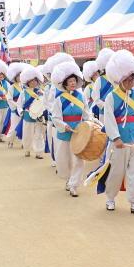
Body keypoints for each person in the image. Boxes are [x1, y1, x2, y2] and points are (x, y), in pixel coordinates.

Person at [102, 49, 134, 215]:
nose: (130, 81)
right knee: (116, 172)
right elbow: (108, 119)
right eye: (127, 78)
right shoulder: (111, 97)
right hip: (120, 143)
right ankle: (110, 198)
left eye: (132, 78)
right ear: (120, 78)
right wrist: (115, 138)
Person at [51, 61, 92, 197]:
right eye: (70, 81)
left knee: (79, 160)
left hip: (79, 133)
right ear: (65, 84)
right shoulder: (59, 99)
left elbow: (86, 114)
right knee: (65, 160)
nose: (73, 83)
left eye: (74, 80)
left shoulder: (81, 97)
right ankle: (68, 179)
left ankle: (74, 184)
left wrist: (89, 124)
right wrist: (64, 126)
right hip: (65, 133)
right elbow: (55, 118)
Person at [17, 66, 45, 159]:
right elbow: (19, 104)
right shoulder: (23, 92)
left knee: (39, 135)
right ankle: (27, 149)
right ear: (28, 82)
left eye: (35, 81)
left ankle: (39, 152)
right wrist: (21, 112)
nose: (33, 82)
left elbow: (44, 103)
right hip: (27, 116)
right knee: (27, 134)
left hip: (38, 116)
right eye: (31, 81)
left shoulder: (41, 92)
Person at [5, 63, 27, 148]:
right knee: (14, 126)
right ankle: (10, 141)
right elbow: (9, 99)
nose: (19, 77)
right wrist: (17, 105)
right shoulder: (12, 87)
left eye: (21, 75)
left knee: (23, 126)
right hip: (15, 109)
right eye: (18, 76)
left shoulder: (24, 86)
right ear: (14, 77)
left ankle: (23, 142)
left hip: (23, 109)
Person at [91, 48, 115, 123]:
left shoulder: (117, 78)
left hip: (118, 112)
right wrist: (107, 106)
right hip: (104, 113)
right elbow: (96, 98)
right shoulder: (99, 80)